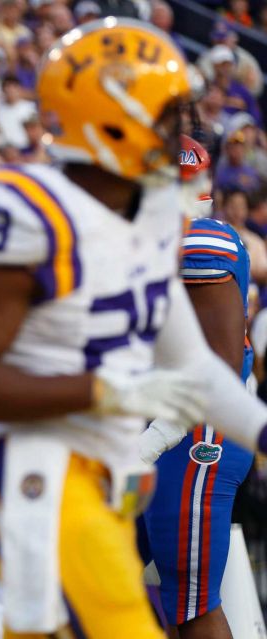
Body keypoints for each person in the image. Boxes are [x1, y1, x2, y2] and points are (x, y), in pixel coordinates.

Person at [0, 19, 267, 638]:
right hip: (40, 468)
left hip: (106, 469)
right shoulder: (20, 206)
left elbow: (196, 366)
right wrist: (112, 396)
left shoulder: (150, 228)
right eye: (160, 116)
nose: (180, 144)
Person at [139, 138, 254, 639]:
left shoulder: (197, 240)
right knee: (103, 579)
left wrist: (156, 436)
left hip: (195, 434)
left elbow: (222, 366)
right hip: (175, 427)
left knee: (191, 604)